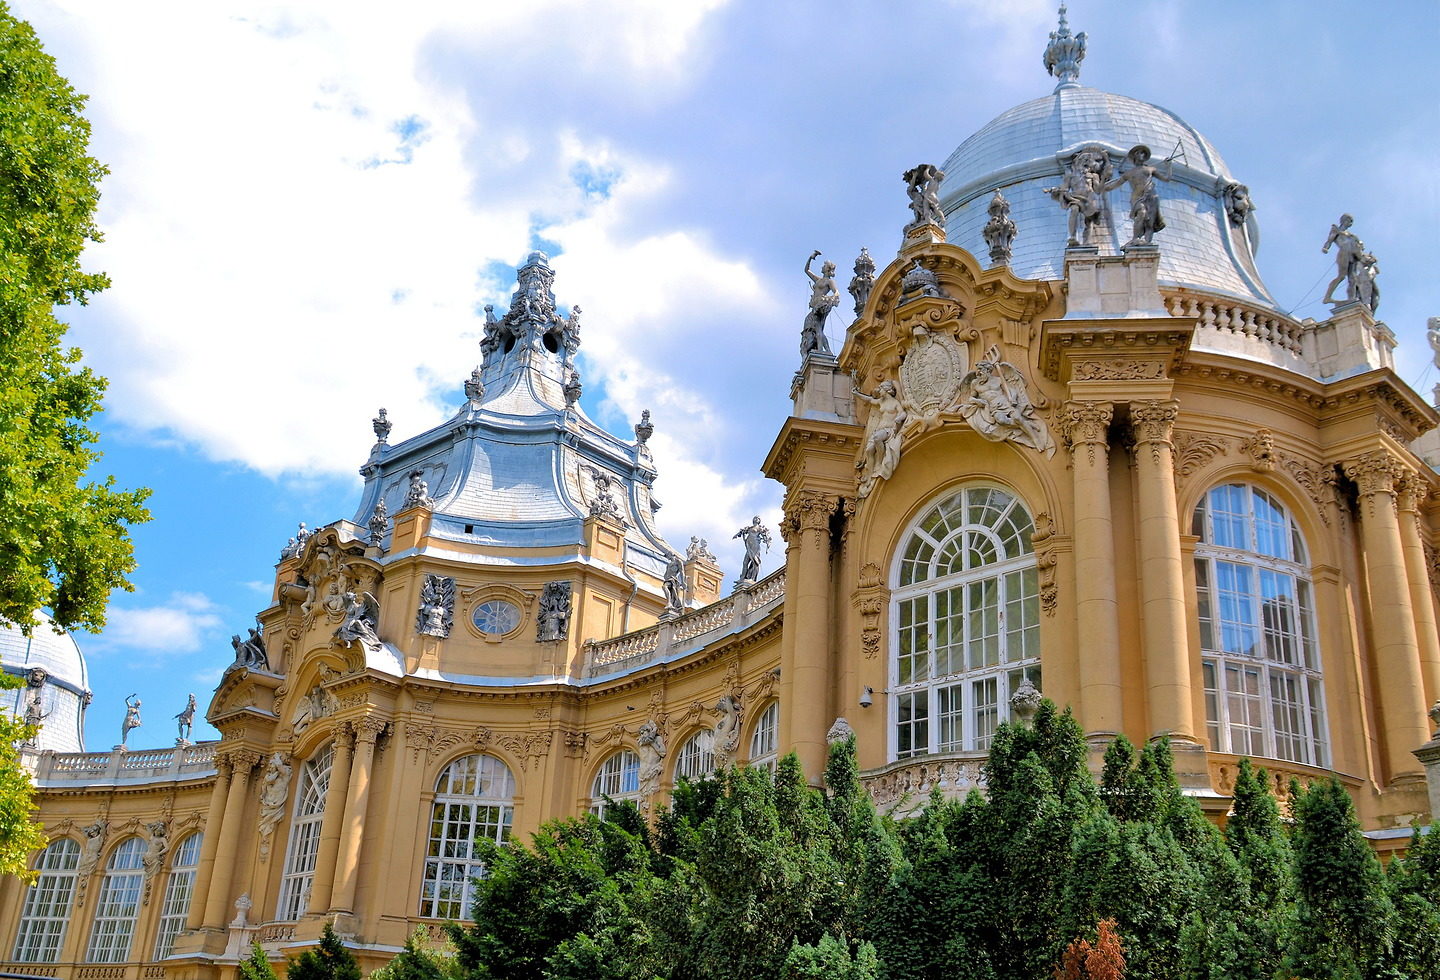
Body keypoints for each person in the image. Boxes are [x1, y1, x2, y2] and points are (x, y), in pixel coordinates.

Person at [1103, 144, 1172, 246]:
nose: (1141, 154)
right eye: (1139, 152)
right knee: (1141, 214)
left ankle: (1147, 243)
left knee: (1150, 223)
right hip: (1137, 197)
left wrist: (1168, 166)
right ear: (1134, 156)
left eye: (1143, 153)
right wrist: (1103, 186)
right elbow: (1115, 185)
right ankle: (1135, 238)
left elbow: (1166, 179)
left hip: (1151, 197)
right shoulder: (1129, 173)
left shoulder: (1151, 169)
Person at [853, 380, 908, 498]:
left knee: (878, 439)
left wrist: (899, 418)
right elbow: (869, 400)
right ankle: (869, 476)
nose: (879, 390)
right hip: (879, 429)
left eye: (881, 388)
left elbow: (902, 413)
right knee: (869, 450)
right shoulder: (881, 401)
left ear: (887, 390)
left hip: (888, 430)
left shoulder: (894, 403)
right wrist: (857, 394)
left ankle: (879, 463)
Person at [1321, 214, 1363, 306]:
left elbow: (1358, 246)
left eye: (1351, 222)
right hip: (1343, 254)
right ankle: (1327, 297)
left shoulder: (1351, 235)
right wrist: (1326, 248)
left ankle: (1352, 298)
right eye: (1349, 221)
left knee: (1353, 279)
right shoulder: (1336, 229)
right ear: (1344, 220)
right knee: (1342, 276)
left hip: (1352, 256)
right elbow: (1329, 240)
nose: (1350, 224)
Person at [801, 251, 837, 357]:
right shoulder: (818, 280)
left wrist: (831, 298)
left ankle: (821, 349)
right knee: (818, 328)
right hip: (815, 304)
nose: (822, 267)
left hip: (821, 304)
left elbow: (836, 292)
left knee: (817, 327)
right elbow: (806, 270)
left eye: (824, 266)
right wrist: (810, 258)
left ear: (827, 269)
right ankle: (826, 349)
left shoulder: (830, 282)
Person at [733, 517, 772, 583]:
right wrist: (737, 535)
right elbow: (742, 532)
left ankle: (753, 578)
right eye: (755, 518)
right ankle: (743, 577)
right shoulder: (749, 528)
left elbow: (766, 537)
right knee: (745, 562)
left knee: (755, 562)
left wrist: (768, 544)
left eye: (758, 518)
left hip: (755, 546)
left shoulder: (760, 528)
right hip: (749, 546)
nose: (756, 519)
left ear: (759, 521)